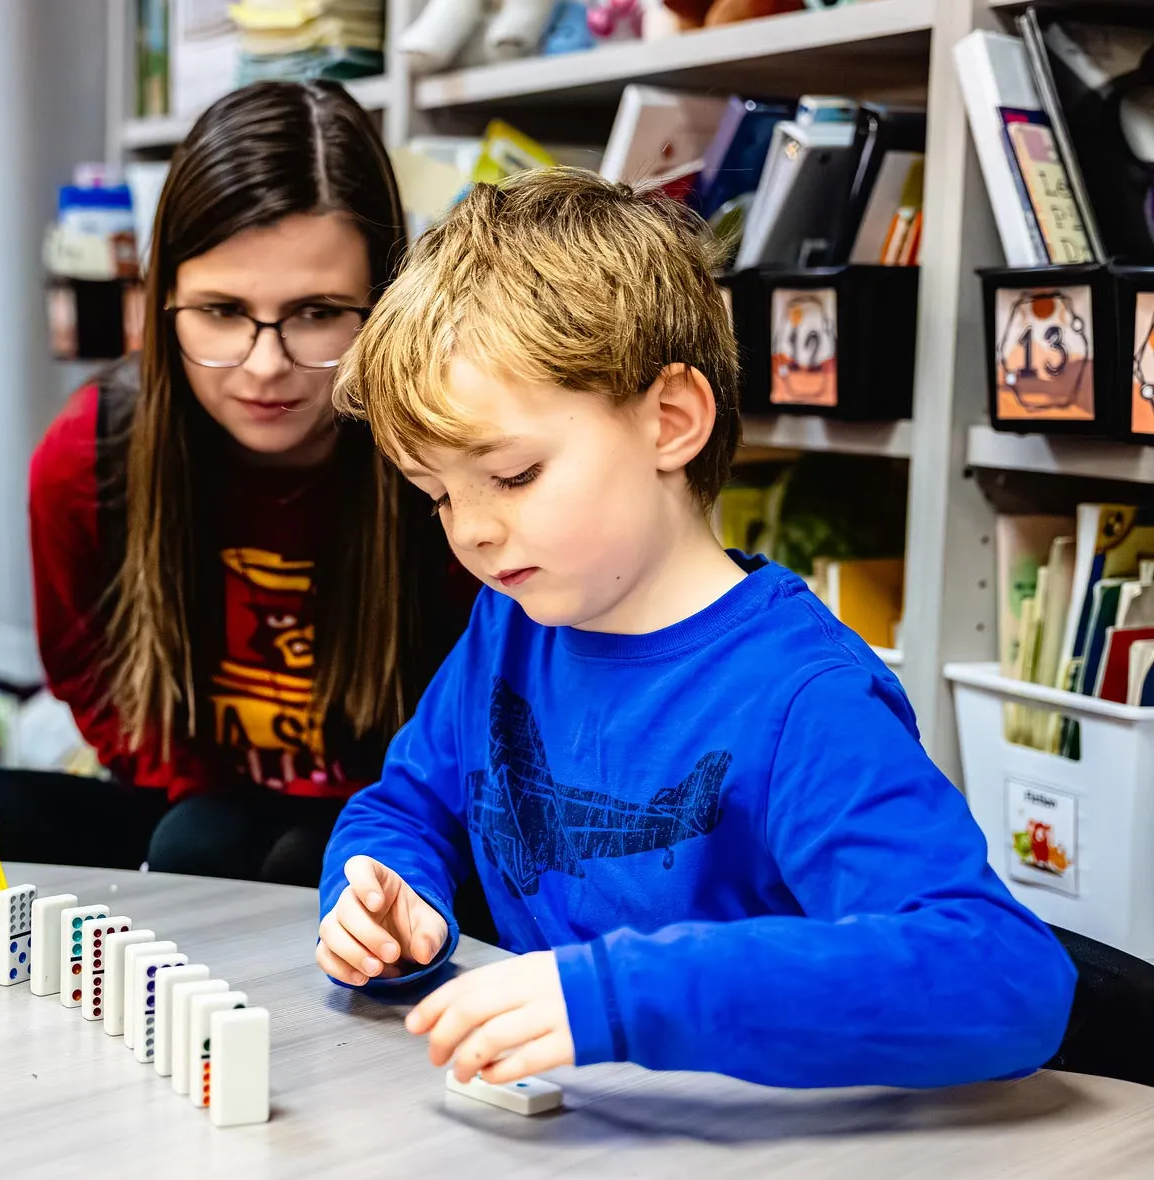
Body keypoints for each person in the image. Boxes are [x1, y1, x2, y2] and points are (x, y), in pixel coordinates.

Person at [315, 169, 1075, 1088]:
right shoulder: (508, 623)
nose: (470, 529)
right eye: (437, 494)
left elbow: (1000, 972)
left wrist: (625, 998)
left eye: (511, 476)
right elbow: (408, 803)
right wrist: (387, 895)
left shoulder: (801, 698)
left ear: (670, 421)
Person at [28, 80, 470, 884]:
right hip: (192, 815)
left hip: (407, 821)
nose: (266, 368)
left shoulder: (448, 462)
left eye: (315, 312)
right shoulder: (88, 457)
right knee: (195, 842)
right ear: (161, 297)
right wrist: (194, 793)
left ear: (385, 301)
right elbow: (88, 677)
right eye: (223, 312)